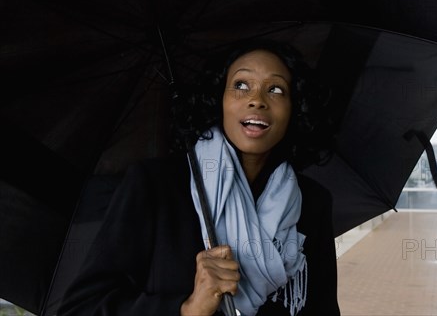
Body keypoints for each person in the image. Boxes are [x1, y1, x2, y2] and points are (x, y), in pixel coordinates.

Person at [57, 40, 340, 315]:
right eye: (241, 85)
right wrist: (187, 310)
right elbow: (81, 308)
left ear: (295, 108)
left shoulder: (312, 202)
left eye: (276, 89)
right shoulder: (156, 185)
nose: (257, 100)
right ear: (219, 100)